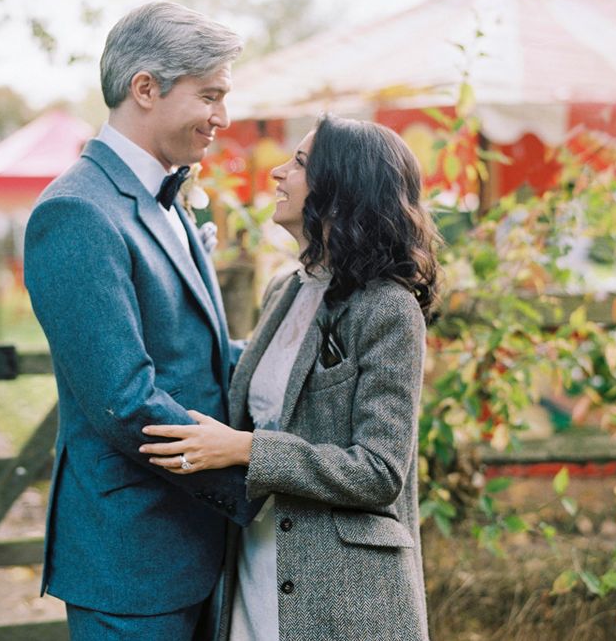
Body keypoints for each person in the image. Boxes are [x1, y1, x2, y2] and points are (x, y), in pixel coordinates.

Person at [141, 114, 439, 640]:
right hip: (255, 559)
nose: (278, 172)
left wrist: (246, 450)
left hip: (344, 597)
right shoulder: (285, 289)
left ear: (343, 188)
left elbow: (380, 471)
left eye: (299, 163)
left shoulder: (389, 309)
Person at [24, 2, 260, 640]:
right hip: (130, 560)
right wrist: (256, 477)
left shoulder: (168, 196)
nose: (223, 118)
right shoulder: (76, 212)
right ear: (146, 88)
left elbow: (199, 356)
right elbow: (125, 400)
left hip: (199, 546)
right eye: (209, 95)